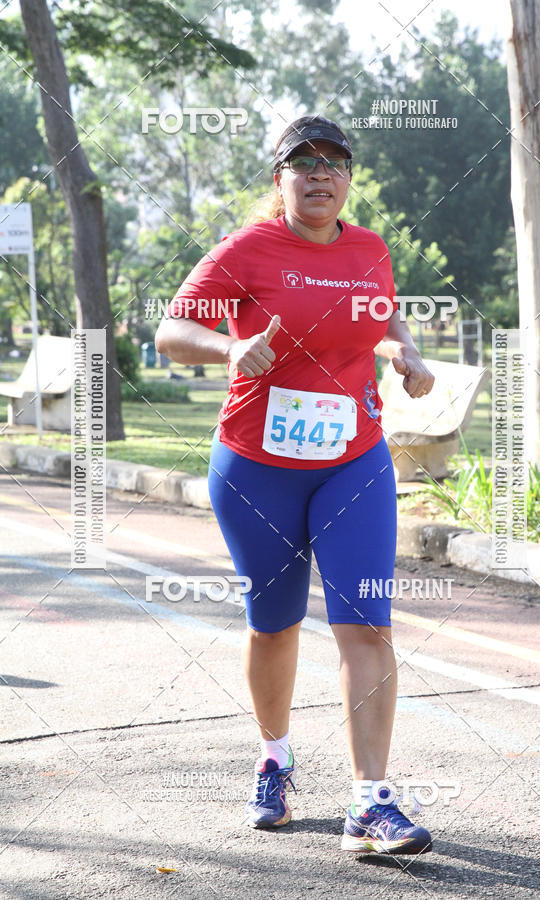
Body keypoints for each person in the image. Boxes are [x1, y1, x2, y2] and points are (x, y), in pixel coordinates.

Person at [155, 115, 435, 855]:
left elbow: (384, 314)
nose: (319, 173)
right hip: (256, 469)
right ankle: (274, 758)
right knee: (273, 622)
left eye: (334, 162)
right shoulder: (247, 250)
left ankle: (370, 804)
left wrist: (405, 353)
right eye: (302, 161)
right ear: (279, 178)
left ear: (348, 177)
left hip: (354, 461)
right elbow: (172, 332)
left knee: (367, 623)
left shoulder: (369, 248)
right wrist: (230, 346)